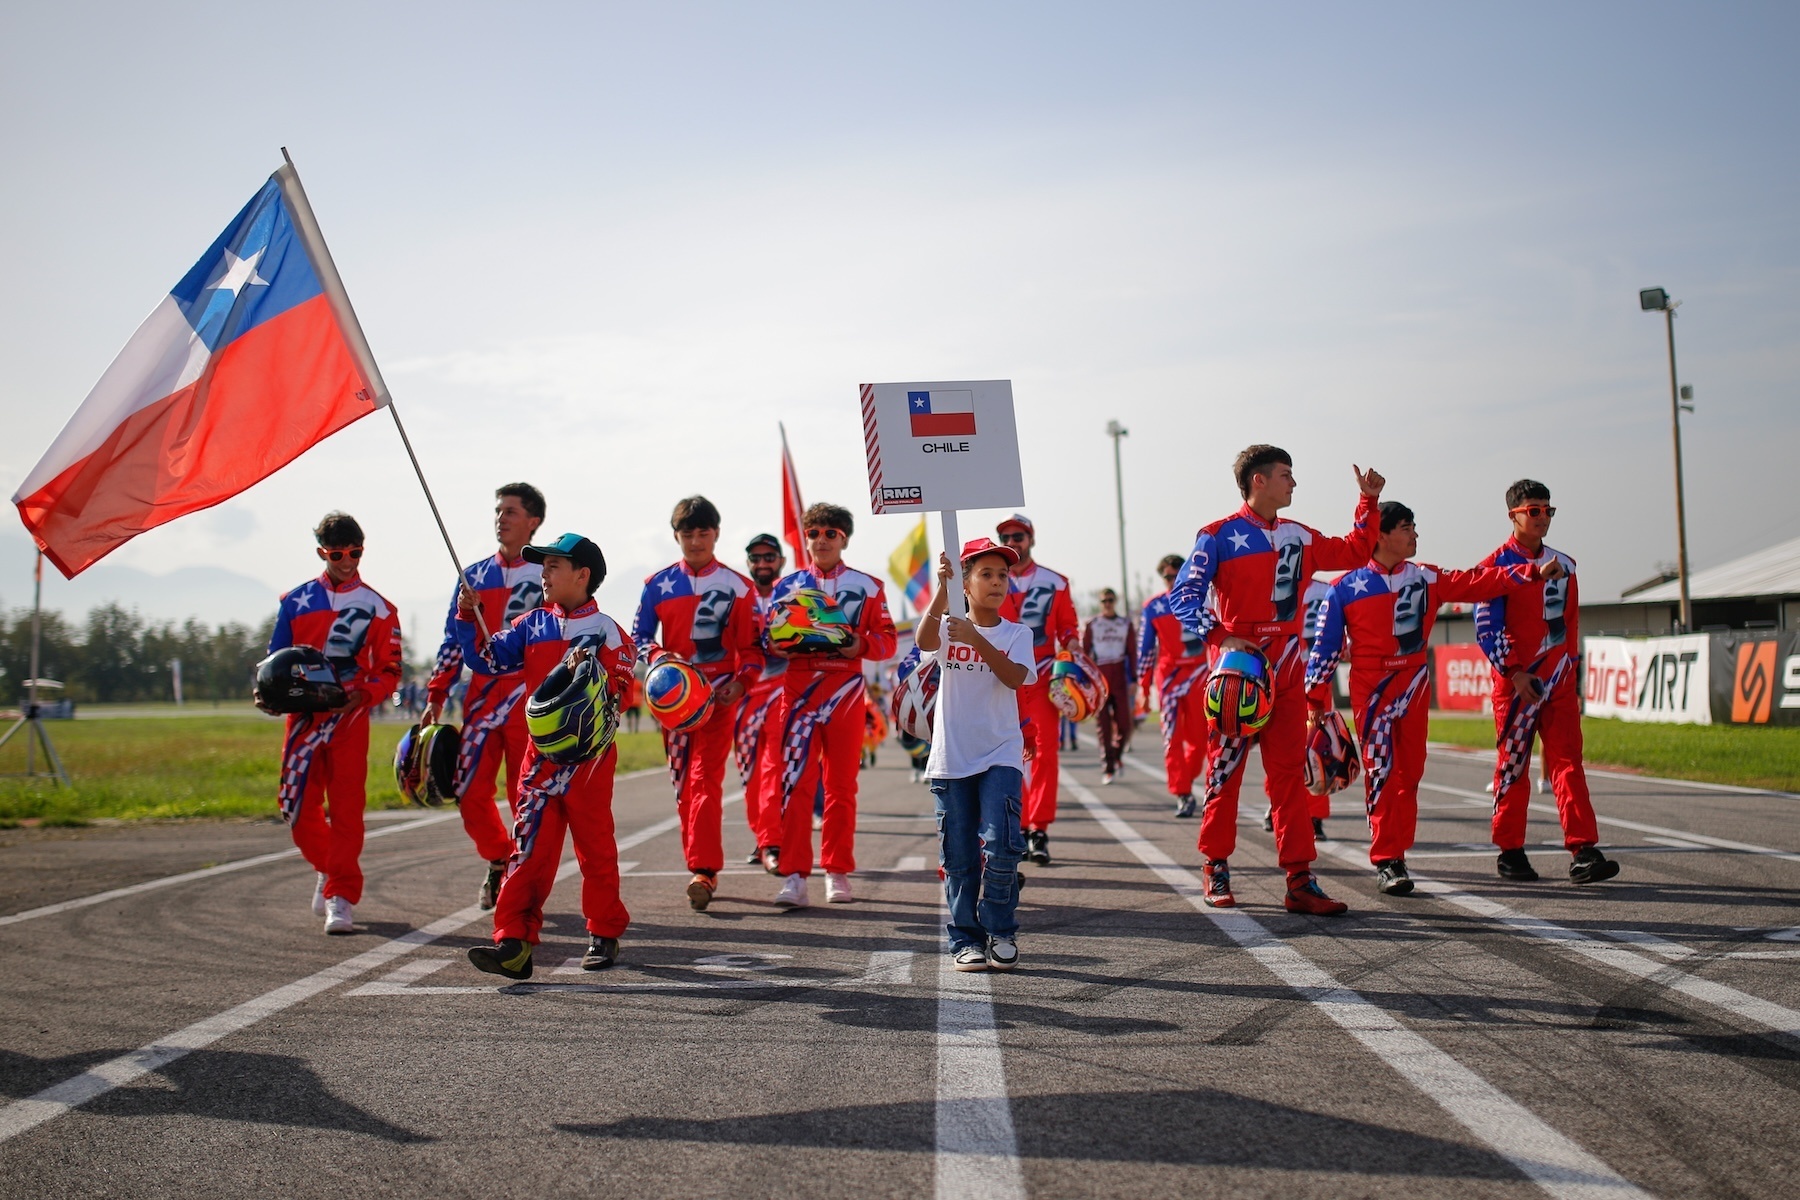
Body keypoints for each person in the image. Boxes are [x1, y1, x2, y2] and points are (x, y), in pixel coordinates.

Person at [1169, 445, 1384, 915]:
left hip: (1289, 667)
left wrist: (1367, 504)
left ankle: (1300, 879)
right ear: (1258, 481)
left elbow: (1354, 550)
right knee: (1224, 774)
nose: (1294, 483)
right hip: (1236, 674)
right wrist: (1221, 636)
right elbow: (1182, 595)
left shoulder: (1299, 534)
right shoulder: (1217, 535)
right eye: (1286, 475)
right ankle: (1215, 866)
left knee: (1289, 777)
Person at [1305, 501, 1552, 894]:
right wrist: (1316, 703)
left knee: (1411, 774)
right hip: (1371, 690)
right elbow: (1324, 650)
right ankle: (1388, 859)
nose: (1415, 534)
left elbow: (1478, 582)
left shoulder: (1428, 578)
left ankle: (1397, 849)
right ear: (1382, 535)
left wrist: (1531, 572)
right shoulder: (1343, 589)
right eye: (1407, 528)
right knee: (1382, 772)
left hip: (1416, 684)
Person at [460, 533, 636, 979]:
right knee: (528, 850)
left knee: (594, 848)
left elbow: (623, 692)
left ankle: (603, 932)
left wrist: (594, 681)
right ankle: (513, 943)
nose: (543, 574)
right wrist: (469, 615)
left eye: (553, 566)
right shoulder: (530, 624)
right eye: (543, 566)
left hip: (589, 761)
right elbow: (488, 660)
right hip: (537, 761)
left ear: (582, 575)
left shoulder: (609, 632)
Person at [1475, 481, 1621, 885]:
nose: (1542, 518)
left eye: (1547, 510)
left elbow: (1570, 625)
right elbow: (1487, 629)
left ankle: (1584, 850)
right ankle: (1510, 851)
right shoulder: (1493, 567)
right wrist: (1515, 672)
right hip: (1516, 685)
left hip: (1558, 683)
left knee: (1568, 763)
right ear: (1514, 515)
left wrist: (1570, 671)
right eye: (1534, 510)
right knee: (1513, 768)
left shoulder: (1568, 564)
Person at [268, 512, 402, 935]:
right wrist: (267, 694)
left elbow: (391, 670)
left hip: (350, 721)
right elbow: (274, 661)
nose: (348, 562)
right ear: (322, 553)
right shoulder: (294, 601)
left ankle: (340, 896)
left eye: (356, 553)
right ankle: (328, 870)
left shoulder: (381, 608)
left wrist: (363, 696)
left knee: (347, 811)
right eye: (338, 554)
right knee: (295, 809)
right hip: (304, 721)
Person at [632, 496, 764, 912]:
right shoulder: (656, 584)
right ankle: (700, 867)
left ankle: (704, 871)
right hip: (672, 703)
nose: (695, 540)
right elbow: (638, 639)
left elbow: (754, 651)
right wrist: (657, 658)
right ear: (676, 536)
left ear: (716, 534)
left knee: (705, 782)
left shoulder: (739, 586)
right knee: (684, 788)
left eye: (702, 532)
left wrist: (741, 684)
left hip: (718, 699)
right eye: (687, 533)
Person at [766, 502, 897, 908]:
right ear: (805, 538)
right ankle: (794, 875)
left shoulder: (870, 586)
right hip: (800, 691)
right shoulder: (785, 586)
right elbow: (769, 642)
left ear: (844, 538)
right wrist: (785, 642)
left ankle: (837, 871)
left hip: (846, 691)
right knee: (796, 784)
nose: (821, 540)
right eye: (813, 533)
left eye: (830, 533)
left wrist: (857, 643)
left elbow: (888, 640)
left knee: (841, 787)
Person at [422, 483, 547, 910]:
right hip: (479, 703)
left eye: (511, 511)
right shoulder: (471, 576)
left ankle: (521, 878)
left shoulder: (550, 573)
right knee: (469, 791)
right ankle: (497, 859)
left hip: (528, 703)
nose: (501, 518)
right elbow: (451, 644)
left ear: (533, 522)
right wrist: (436, 695)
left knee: (522, 796)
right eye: (498, 511)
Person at [918, 539, 1037, 971]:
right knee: (960, 858)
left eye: (1003, 575)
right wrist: (941, 588)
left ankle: (1000, 929)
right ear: (966, 584)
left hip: (1001, 753)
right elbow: (923, 639)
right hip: (952, 757)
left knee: (1003, 846)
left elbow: (1015, 678)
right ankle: (965, 939)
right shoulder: (948, 627)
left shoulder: (1017, 633)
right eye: (985, 574)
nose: (997, 582)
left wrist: (977, 639)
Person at [994, 514, 1079, 867]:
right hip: (996, 677)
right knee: (1003, 755)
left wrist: (1072, 654)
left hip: (1042, 677)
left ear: (1030, 539)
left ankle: (1038, 829)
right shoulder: (990, 578)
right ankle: (1013, 827)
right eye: (1005, 536)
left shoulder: (1055, 582)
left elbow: (1069, 628)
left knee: (1044, 754)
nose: (1012, 542)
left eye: (1019, 536)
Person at [1139, 554, 1210, 815]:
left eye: (1177, 574)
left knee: (1200, 741)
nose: (1173, 580)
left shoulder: (1205, 599)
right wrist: (1144, 689)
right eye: (1167, 576)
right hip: (1169, 678)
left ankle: (1187, 779)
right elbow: (1145, 649)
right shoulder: (1154, 606)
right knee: (1172, 738)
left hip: (1200, 675)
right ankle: (1181, 792)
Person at [735, 533, 789, 870]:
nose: (762, 563)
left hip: (784, 690)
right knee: (749, 773)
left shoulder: (794, 593)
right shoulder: (736, 594)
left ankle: (773, 842)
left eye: (769, 557)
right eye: (756, 558)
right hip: (744, 695)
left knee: (774, 768)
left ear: (780, 561)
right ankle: (762, 838)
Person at [1083, 587, 1137, 783]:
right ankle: (1108, 767)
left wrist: (1134, 679)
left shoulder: (1125, 624)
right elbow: (1084, 653)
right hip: (1100, 676)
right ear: (1100, 603)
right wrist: (1086, 680)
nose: (1107, 604)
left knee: (1125, 724)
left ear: (1116, 601)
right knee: (1103, 725)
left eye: (1110, 600)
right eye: (1104, 601)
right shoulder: (1092, 624)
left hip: (1120, 675)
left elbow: (1132, 653)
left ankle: (1116, 755)